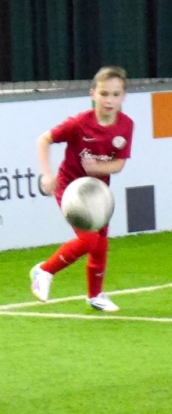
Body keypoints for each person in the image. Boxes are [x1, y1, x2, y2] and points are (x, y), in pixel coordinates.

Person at [30, 66, 134, 312]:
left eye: (115, 94)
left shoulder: (126, 125)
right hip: (71, 189)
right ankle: (44, 271)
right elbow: (43, 140)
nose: (109, 100)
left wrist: (98, 167)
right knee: (88, 239)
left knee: (100, 244)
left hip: (98, 192)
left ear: (123, 96)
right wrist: (47, 174)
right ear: (93, 94)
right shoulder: (78, 124)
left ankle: (95, 296)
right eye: (104, 93)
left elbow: (119, 164)